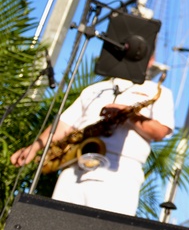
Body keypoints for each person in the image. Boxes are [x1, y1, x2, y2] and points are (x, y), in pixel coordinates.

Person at [10, 55, 174, 216]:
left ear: (151, 60)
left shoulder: (157, 92)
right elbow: (65, 125)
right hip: (75, 169)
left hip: (119, 174)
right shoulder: (95, 89)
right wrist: (35, 147)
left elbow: (160, 131)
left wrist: (127, 113)